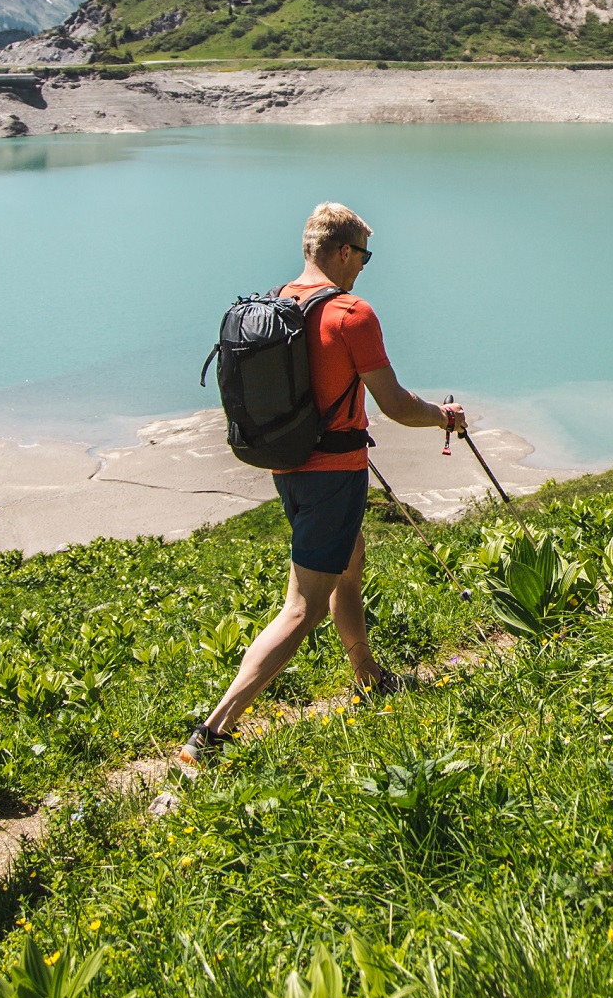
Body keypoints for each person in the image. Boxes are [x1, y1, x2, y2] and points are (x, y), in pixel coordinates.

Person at [176, 203, 463, 774]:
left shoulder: (280, 302)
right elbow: (397, 406)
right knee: (303, 607)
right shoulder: (352, 314)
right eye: (363, 255)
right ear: (341, 252)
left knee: (348, 558)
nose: (363, 267)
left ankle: (368, 673)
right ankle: (210, 733)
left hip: (290, 467)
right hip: (334, 474)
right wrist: (443, 417)